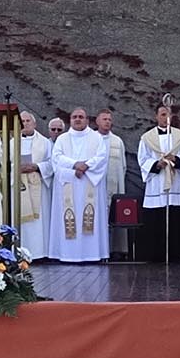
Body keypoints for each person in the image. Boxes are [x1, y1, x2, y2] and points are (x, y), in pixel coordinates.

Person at [136, 104, 180, 263]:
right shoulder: (147, 137)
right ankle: (155, 254)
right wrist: (156, 164)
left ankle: (177, 253)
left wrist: (176, 160)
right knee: (156, 219)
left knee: (176, 218)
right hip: (157, 183)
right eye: (163, 115)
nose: (166, 118)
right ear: (156, 116)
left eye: (169, 115)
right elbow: (142, 159)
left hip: (176, 183)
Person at [47, 109, 112, 262]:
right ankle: (66, 254)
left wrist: (86, 166)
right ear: (70, 120)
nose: (77, 119)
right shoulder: (62, 139)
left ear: (87, 120)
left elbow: (102, 157)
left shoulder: (96, 138)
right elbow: (56, 158)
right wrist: (75, 166)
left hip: (90, 183)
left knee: (89, 217)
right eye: (74, 117)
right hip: (68, 184)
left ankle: (92, 254)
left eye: (81, 117)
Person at [14, 111, 53, 252]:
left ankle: (39, 252)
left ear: (34, 124)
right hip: (19, 186)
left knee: (39, 222)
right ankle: (19, 250)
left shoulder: (45, 143)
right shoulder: (11, 142)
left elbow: (52, 163)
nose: (25, 124)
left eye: (27, 121)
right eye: (22, 121)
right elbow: (3, 164)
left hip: (38, 185)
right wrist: (16, 167)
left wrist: (37, 166)